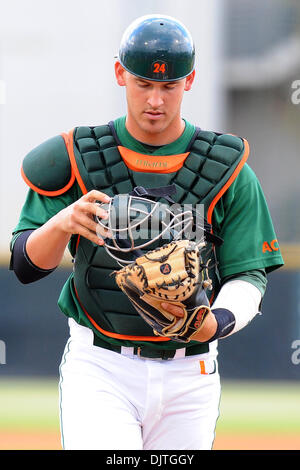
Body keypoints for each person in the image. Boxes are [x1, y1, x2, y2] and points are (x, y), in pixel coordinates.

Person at [10, 14, 284, 450]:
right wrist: (62, 223)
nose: (155, 99)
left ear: (189, 81)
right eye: (143, 83)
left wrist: (218, 323)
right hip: (100, 366)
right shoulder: (77, 156)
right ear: (120, 73)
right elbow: (26, 265)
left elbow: (249, 273)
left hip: (190, 373)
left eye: (169, 86)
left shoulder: (228, 169)